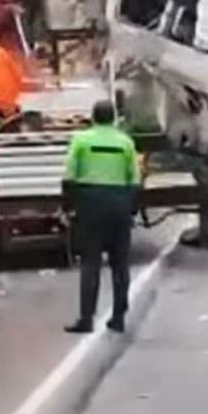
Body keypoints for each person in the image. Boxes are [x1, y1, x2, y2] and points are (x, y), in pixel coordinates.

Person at [62, 100, 140, 334]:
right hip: (118, 202)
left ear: (93, 117)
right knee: (120, 264)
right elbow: (134, 179)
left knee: (90, 263)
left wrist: (69, 207)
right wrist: (131, 209)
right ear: (114, 118)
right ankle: (118, 317)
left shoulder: (81, 140)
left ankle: (86, 319)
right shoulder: (126, 142)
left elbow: (69, 176)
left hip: (89, 203)